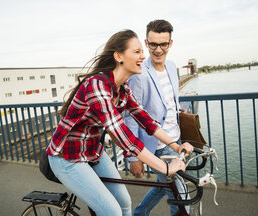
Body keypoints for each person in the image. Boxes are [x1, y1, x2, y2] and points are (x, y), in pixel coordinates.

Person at [46, 29, 194, 216]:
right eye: (137, 51)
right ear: (119, 56)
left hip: (92, 150)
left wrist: (175, 146)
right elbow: (125, 139)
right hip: (67, 156)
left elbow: (147, 121)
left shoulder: (122, 88)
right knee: (112, 211)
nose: (143, 56)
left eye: (142, 51)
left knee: (124, 202)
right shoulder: (97, 85)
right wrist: (166, 167)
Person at [124, 20, 190, 216]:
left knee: (165, 186)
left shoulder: (171, 66)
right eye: (153, 44)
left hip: (175, 137)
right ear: (146, 43)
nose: (158, 49)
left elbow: (168, 100)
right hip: (158, 145)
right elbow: (130, 116)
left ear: (171, 43)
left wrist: (178, 111)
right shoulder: (139, 75)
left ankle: (140, 213)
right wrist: (133, 157)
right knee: (180, 194)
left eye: (163, 44)